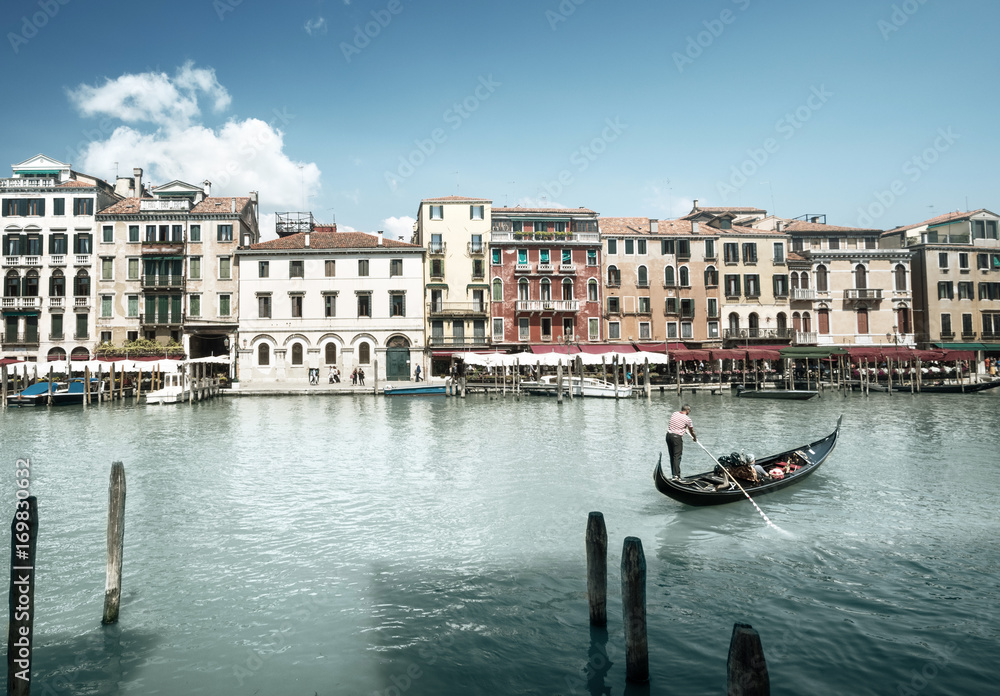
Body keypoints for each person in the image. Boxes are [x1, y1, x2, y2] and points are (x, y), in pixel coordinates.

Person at [666, 404, 697, 480]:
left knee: (672, 456)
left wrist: (684, 428)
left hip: (668, 436)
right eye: (689, 411)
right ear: (687, 410)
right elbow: (691, 430)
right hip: (676, 438)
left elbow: (677, 423)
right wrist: (694, 438)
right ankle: (676, 476)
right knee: (677, 456)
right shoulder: (687, 419)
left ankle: (674, 474)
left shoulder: (675, 413)